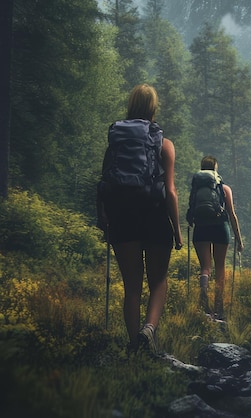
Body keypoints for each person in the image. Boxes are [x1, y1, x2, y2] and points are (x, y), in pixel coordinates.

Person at [97, 84, 183, 354]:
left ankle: (134, 346)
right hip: (154, 214)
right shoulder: (164, 144)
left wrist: (104, 219)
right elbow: (170, 191)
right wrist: (178, 231)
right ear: (153, 107)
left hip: (122, 217)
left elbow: (103, 182)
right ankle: (149, 329)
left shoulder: (116, 140)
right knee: (158, 281)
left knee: (132, 286)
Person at [191, 155, 244, 320]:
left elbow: (191, 208)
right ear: (215, 169)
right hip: (220, 228)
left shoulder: (196, 188)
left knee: (205, 267)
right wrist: (239, 239)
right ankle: (218, 307)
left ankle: (203, 297)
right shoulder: (224, 189)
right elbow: (232, 215)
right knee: (220, 267)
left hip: (201, 228)